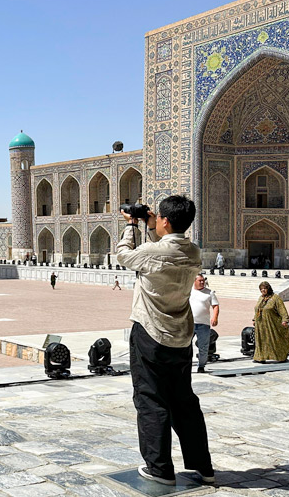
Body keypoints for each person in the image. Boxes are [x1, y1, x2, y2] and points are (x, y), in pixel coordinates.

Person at [117, 195, 213, 486]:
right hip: (181, 337)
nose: (155, 219)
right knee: (184, 401)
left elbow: (125, 255)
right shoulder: (194, 253)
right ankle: (203, 467)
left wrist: (131, 225)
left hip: (150, 333)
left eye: (158, 217)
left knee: (150, 399)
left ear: (166, 221)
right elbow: (158, 252)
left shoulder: (150, 252)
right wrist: (151, 224)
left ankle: (159, 469)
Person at [253, 281, 289, 363]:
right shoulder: (261, 298)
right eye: (261, 289)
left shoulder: (275, 298)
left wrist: (285, 320)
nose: (263, 290)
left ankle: (280, 356)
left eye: (265, 288)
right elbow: (257, 309)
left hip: (272, 324)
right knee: (261, 340)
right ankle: (260, 357)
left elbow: (282, 310)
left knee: (274, 340)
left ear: (268, 289)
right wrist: (254, 319)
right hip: (261, 325)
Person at [189, 274, 219, 373]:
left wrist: (215, 317)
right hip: (189, 323)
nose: (202, 282)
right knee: (186, 346)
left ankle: (201, 366)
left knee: (203, 347)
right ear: (194, 281)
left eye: (203, 281)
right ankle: (186, 365)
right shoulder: (189, 291)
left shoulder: (209, 293)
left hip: (203, 324)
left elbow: (215, 306)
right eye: (200, 281)